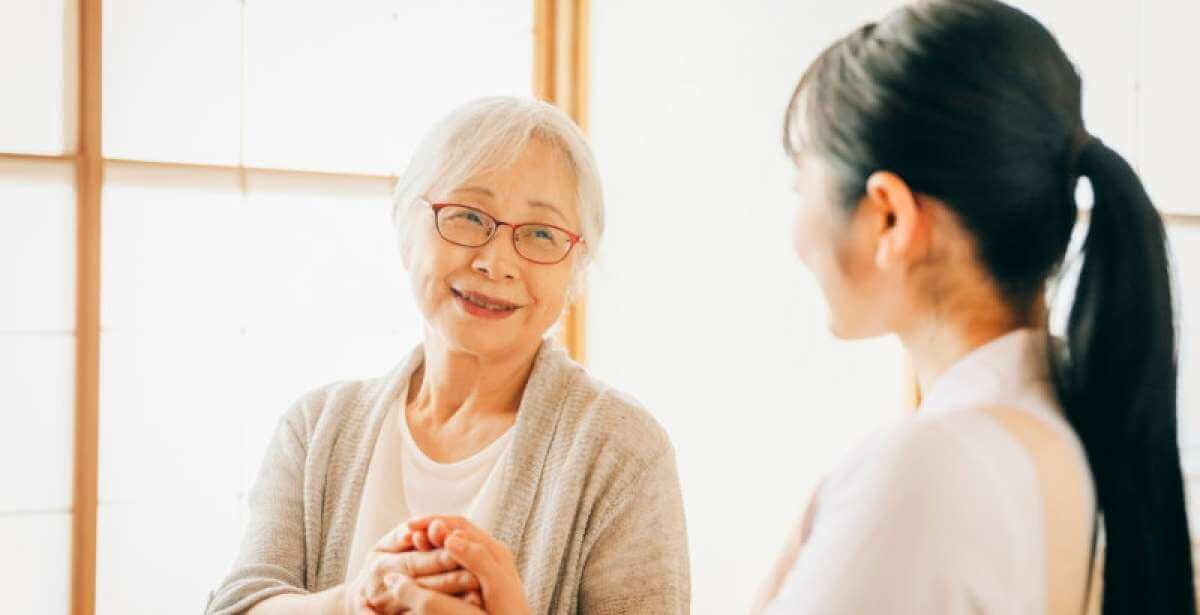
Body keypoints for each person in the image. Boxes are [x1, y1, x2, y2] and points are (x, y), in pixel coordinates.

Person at [755, 1, 1195, 613]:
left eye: (801, 187)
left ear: (889, 216)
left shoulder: (924, 471)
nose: (795, 233)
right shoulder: (1066, 422)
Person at [205, 97, 690, 615]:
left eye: (542, 233)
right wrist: (355, 601)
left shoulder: (622, 451)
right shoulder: (317, 428)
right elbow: (239, 605)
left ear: (575, 268)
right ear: (406, 229)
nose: (495, 262)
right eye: (467, 216)